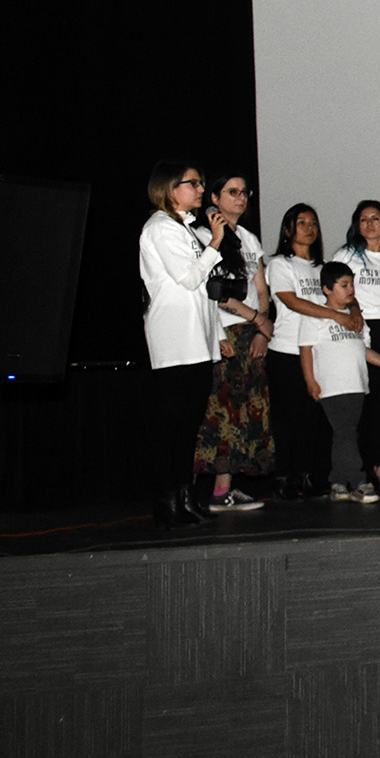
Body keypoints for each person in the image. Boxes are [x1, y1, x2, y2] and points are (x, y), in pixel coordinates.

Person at [140, 161, 229, 527]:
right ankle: (166, 501)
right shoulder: (160, 228)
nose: (199, 189)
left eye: (200, 183)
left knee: (189, 426)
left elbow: (208, 291)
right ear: (170, 187)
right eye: (192, 183)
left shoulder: (189, 230)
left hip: (198, 340)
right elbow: (189, 278)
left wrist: (218, 336)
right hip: (174, 339)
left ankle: (184, 496)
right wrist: (217, 242)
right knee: (170, 426)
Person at [265, 204, 359, 499]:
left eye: (313, 223)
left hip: (321, 351)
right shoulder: (280, 264)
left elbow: (345, 293)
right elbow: (292, 301)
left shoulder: (323, 267)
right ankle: (284, 477)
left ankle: (308, 475)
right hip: (286, 348)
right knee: (287, 418)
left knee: (314, 418)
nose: (309, 228)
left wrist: (354, 310)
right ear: (287, 228)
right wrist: (335, 316)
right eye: (301, 222)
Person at [191, 172, 270, 513]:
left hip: (251, 332)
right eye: (232, 192)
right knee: (220, 413)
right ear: (214, 198)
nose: (240, 198)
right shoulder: (203, 236)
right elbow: (217, 294)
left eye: (244, 192)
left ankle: (225, 491)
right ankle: (211, 492)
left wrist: (262, 331)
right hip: (224, 331)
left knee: (245, 414)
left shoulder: (250, 239)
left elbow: (262, 290)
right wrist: (255, 320)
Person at [301, 262, 380, 503]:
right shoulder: (316, 318)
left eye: (352, 284)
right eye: (344, 285)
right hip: (332, 386)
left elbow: (365, 350)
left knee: (346, 434)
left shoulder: (357, 320)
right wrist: (310, 381)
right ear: (327, 289)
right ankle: (359, 481)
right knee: (345, 432)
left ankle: (338, 482)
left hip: (357, 386)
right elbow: (306, 350)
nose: (350, 290)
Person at [335, 199, 380, 490]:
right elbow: (341, 293)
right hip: (359, 326)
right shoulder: (348, 255)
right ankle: (357, 466)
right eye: (363, 219)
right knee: (358, 402)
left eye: (375, 218)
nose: (369, 224)